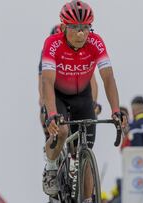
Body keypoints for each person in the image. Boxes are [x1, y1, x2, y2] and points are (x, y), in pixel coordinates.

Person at [41, 1, 126, 202]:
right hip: (58, 95)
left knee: (85, 149)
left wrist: (115, 110)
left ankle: (87, 199)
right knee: (61, 131)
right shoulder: (52, 43)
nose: (81, 34)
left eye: (86, 28)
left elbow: (107, 78)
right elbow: (46, 81)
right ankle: (51, 168)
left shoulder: (96, 42)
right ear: (63, 27)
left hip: (83, 96)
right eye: (75, 28)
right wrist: (52, 113)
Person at [38, 24, 101, 141]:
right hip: (56, 91)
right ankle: (50, 138)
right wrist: (43, 103)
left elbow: (92, 81)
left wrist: (94, 102)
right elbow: (43, 81)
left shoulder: (80, 52)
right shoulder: (48, 51)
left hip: (78, 94)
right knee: (45, 113)